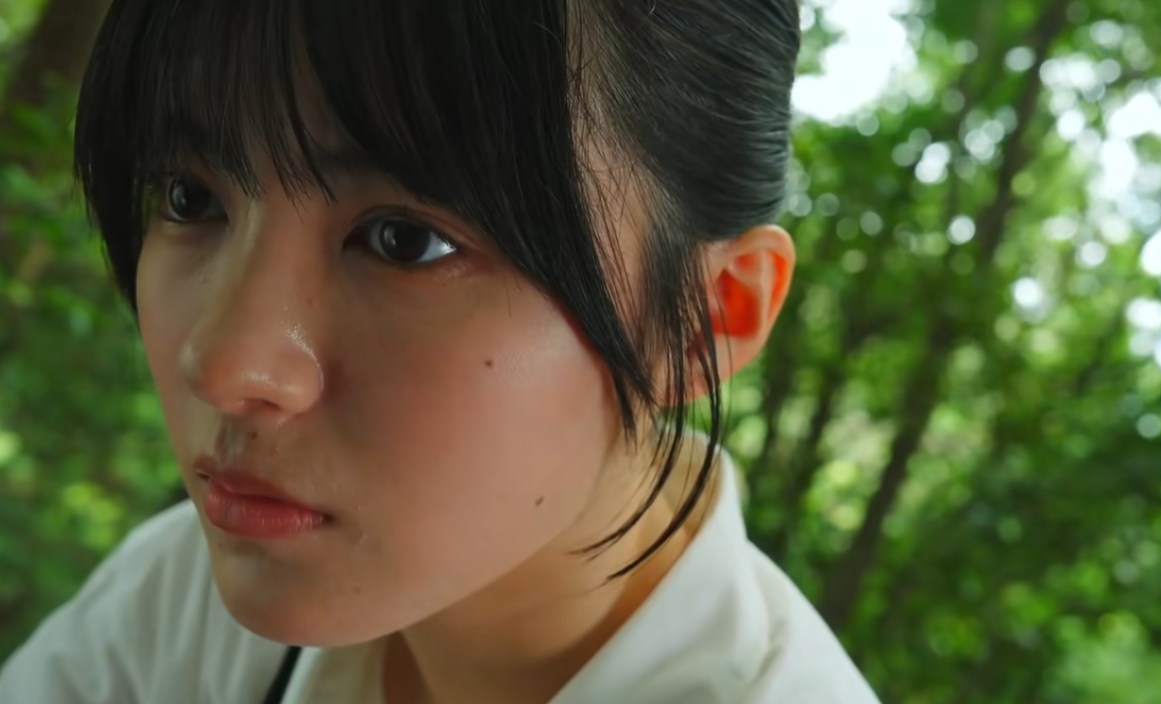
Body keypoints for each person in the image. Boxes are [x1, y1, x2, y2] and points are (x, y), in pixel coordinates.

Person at [0, 1, 881, 702]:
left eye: (404, 242)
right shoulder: (175, 613)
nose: (224, 366)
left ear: (704, 322)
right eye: (190, 198)